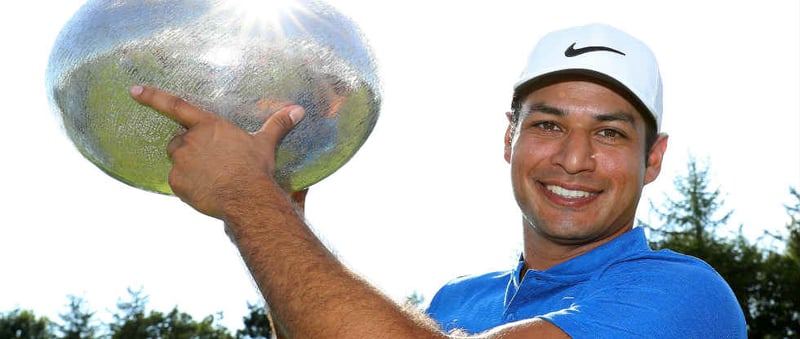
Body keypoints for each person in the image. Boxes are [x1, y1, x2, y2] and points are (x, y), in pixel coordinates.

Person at [129, 23, 747, 338]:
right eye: (549, 125)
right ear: (508, 138)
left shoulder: (684, 297)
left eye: (610, 133)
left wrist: (248, 199)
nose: (575, 158)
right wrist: (281, 204)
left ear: (654, 159)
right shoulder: (456, 304)